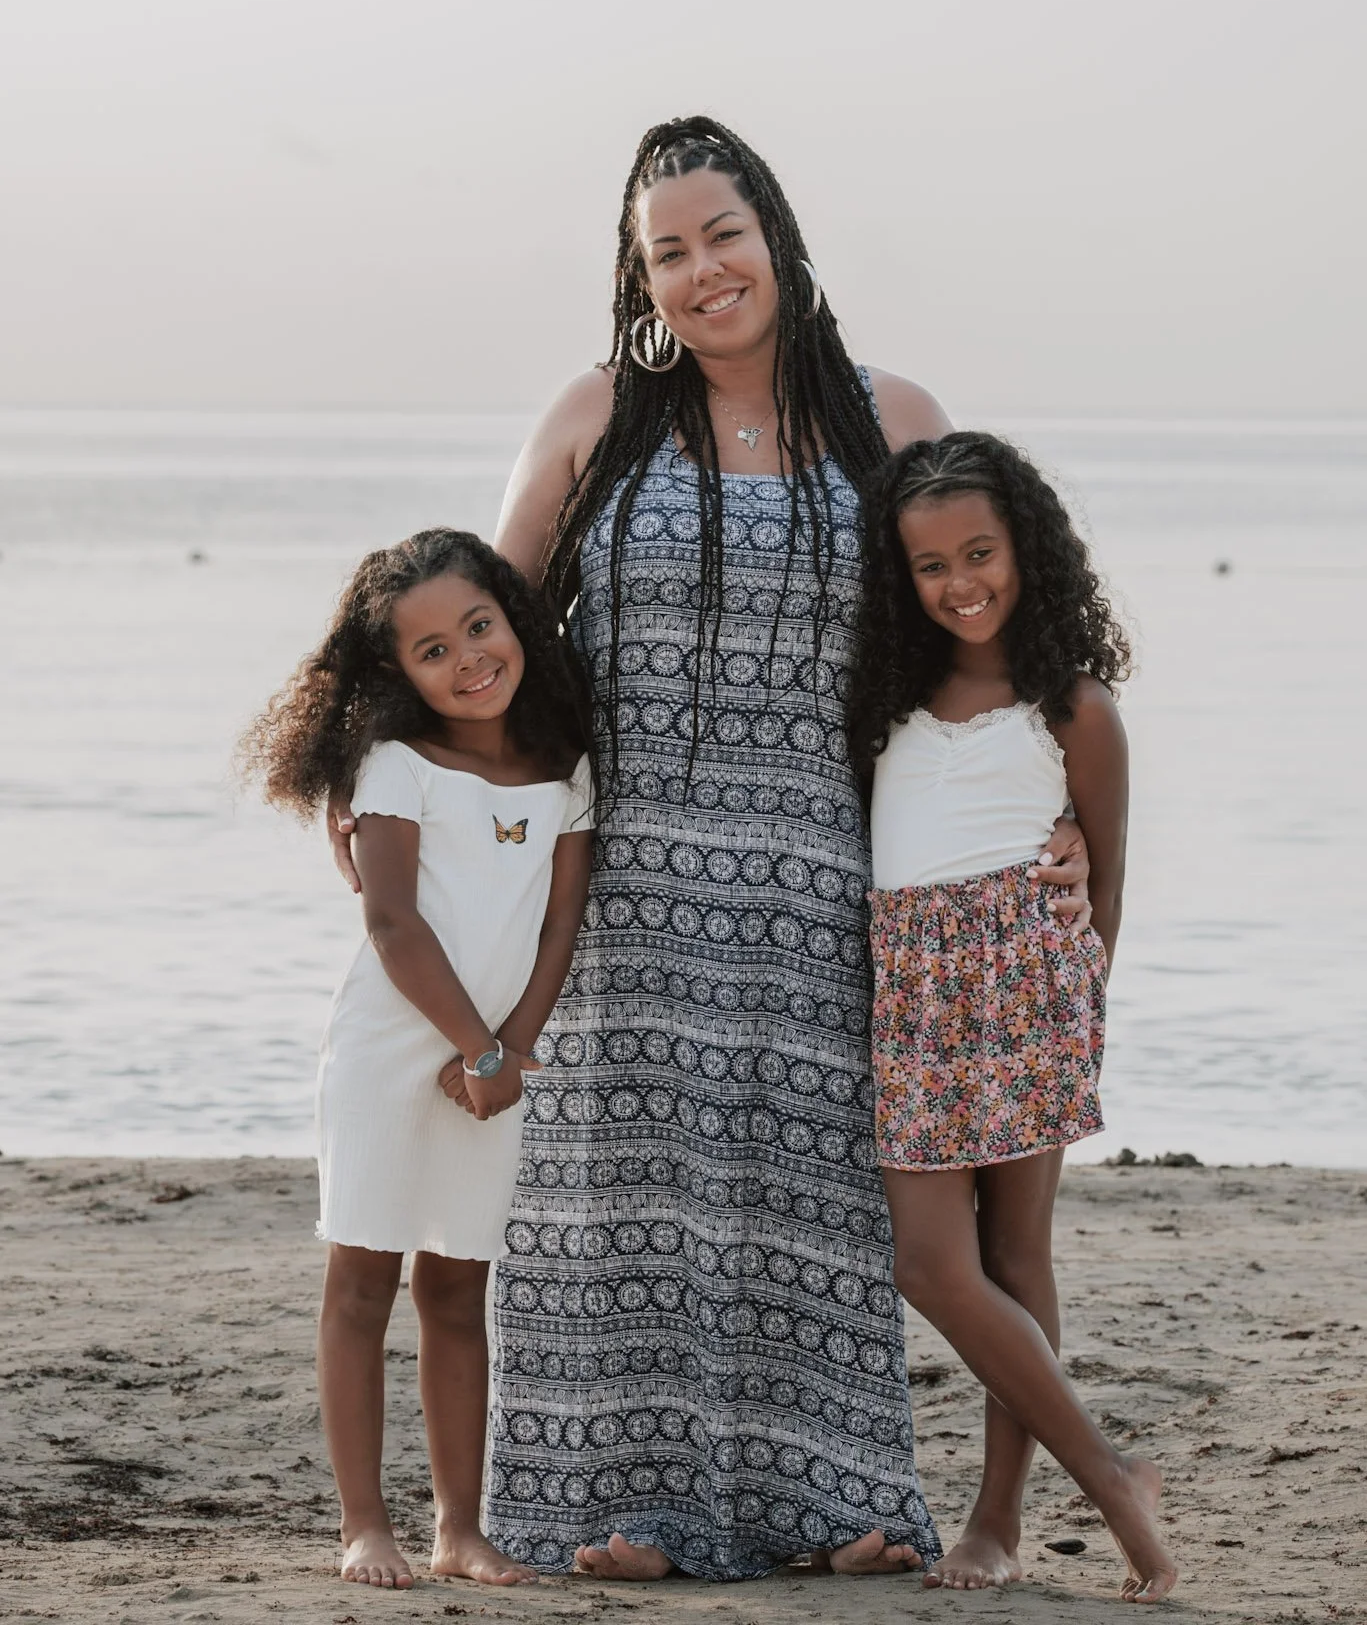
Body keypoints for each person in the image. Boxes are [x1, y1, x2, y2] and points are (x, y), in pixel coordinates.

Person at [326, 116, 1085, 1581]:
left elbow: (994, 622)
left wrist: (1049, 809)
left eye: (719, 234)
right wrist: (375, 811)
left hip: (826, 879)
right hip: (617, 887)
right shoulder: (591, 417)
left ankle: (831, 1505)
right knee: (620, 1203)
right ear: (639, 273)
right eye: (664, 250)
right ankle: (608, 1512)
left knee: (811, 1198)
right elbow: (486, 648)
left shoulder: (892, 414)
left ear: (776, 237)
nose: (698, 268)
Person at [847, 432, 1177, 1604]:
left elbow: (1109, 882)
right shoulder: (881, 698)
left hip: (1025, 987)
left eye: (979, 552)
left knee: (1012, 1252)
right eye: (929, 565)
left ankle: (997, 1518)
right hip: (915, 992)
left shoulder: (1073, 707)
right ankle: (1109, 1472)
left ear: (1025, 549)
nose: (959, 581)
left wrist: (1078, 1014)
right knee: (930, 1263)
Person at [242, 529, 594, 1591]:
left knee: (457, 1288)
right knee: (361, 1279)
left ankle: (459, 1528)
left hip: (494, 1069)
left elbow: (558, 929)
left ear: (512, 618)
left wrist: (515, 1052)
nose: (467, 658)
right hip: (395, 1052)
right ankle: (363, 1523)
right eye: (432, 649)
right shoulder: (396, 766)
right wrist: (475, 1043)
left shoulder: (563, 766)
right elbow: (393, 923)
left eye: (477, 626)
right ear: (395, 670)